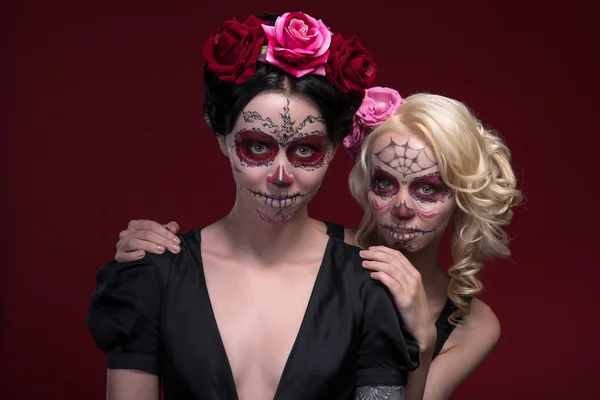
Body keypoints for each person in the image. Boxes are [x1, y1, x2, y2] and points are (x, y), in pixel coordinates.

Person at [87, 12, 419, 400]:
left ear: (331, 150)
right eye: (257, 146)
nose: (280, 174)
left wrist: (424, 342)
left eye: (305, 150)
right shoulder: (152, 274)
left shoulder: (369, 286)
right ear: (223, 138)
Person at [114, 87, 522, 399]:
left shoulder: (473, 324)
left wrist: (424, 340)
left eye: (428, 188)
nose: (401, 207)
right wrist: (152, 257)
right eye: (383, 183)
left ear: (464, 195)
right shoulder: (331, 255)